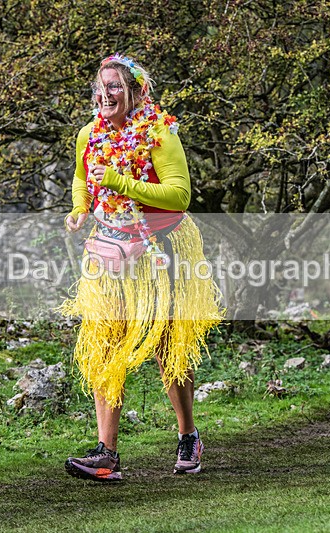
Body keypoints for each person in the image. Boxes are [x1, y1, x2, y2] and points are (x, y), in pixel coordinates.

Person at [60, 54, 222, 480]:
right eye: (101, 85)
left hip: (159, 248)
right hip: (107, 248)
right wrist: (80, 209)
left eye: (115, 86)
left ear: (136, 91)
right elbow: (82, 176)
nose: (105, 93)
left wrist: (119, 181)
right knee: (102, 342)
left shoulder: (159, 133)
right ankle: (106, 453)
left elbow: (179, 196)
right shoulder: (89, 133)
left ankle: (189, 435)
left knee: (168, 342)